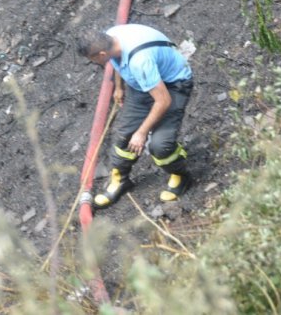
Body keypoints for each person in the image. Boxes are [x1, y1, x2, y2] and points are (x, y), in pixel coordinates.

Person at [77, 24, 194, 208]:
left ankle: (181, 175)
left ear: (101, 55)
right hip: (141, 84)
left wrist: (141, 133)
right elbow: (117, 62)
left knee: (160, 146)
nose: (96, 63)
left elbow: (163, 101)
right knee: (124, 136)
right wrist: (119, 87)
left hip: (173, 86)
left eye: (94, 60)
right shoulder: (111, 37)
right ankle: (121, 180)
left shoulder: (140, 61)